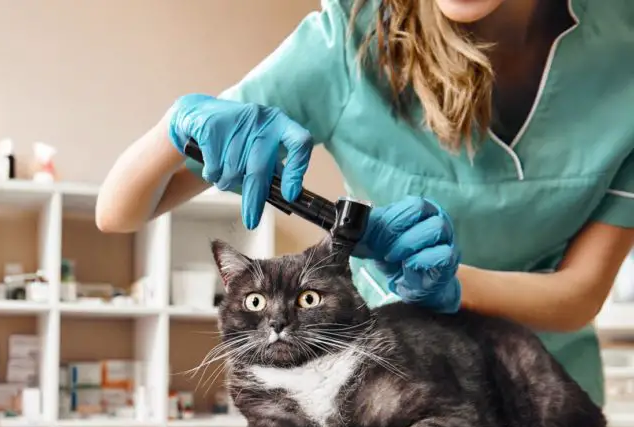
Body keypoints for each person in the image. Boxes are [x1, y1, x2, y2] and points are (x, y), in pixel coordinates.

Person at [95, 0, 634, 406]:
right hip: (384, 392)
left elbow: (580, 295)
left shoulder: (624, 45)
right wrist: (178, 124)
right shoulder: (348, 40)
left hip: (542, 400)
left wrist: (452, 286)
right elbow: (118, 211)